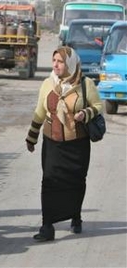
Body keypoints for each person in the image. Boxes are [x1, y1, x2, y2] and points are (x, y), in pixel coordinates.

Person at [25, 46, 103, 242]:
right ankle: (47, 226)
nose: (55, 65)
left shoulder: (85, 84)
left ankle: (75, 216)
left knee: (76, 182)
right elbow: (40, 112)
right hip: (52, 144)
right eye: (54, 61)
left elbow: (98, 106)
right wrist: (31, 138)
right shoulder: (47, 84)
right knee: (49, 181)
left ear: (69, 63)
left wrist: (85, 113)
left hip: (78, 145)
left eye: (60, 61)